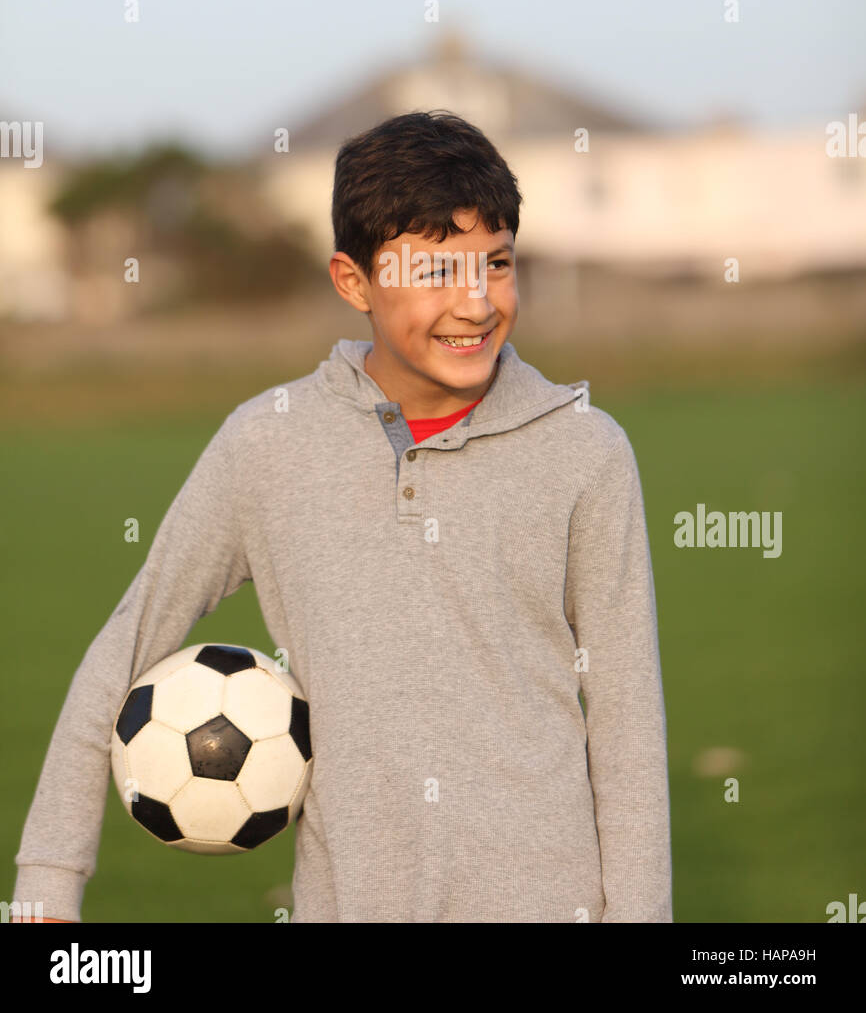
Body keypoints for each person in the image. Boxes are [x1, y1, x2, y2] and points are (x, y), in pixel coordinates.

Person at [12, 108, 672, 922]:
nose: (475, 303)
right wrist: (48, 875)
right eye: (432, 273)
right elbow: (128, 642)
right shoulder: (267, 444)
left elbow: (627, 720)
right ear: (352, 281)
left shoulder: (586, 450)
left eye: (496, 265)